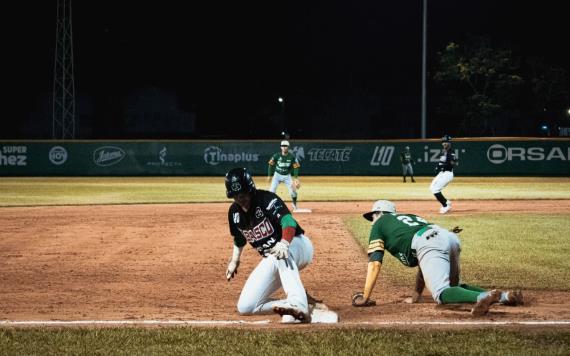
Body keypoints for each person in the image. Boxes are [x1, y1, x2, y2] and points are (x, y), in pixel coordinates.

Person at [351, 200, 524, 316]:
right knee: (454, 287)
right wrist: (416, 295)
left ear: (381, 213)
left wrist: (365, 297)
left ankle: (484, 297)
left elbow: (374, 263)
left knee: (442, 293)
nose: (371, 221)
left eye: (373, 216)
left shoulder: (381, 223)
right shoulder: (409, 219)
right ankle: (505, 296)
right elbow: (423, 263)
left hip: (429, 242)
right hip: (447, 237)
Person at [224, 167, 314, 323]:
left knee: (278, 252)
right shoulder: (234, 213)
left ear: (250, 189)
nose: (241, 198)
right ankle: (294, 304)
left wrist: (284, 243)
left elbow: (288, 222)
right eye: (237, 196)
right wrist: (234, 261)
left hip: (297, 245)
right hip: (274, 258)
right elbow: (239, 239)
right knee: (246, 306)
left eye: (244, 194)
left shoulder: (266, 199)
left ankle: (299, 307)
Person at [267, 140, 301, 211]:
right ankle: (270, 207)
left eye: (285, 146)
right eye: (282, 146)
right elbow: (270, 164)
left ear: (288, 147)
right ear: (280, 147)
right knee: (271, 192)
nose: (284, 147)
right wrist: (269, 175)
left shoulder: (291, 157)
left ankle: (294, 204)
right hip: (277, 175)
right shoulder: (276, 155)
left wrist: (296, 178)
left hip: (287, 176)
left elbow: (296, 167)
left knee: (293, 192)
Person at [430, 135, 456, 214]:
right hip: (442, 173)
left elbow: (452, 164)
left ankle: (445, 206)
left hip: (447, 174)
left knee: (435, 189)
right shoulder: (444, 152)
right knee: (431, 188)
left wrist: (443, 165)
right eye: (443, 142)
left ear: (449, 143)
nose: (444, 143)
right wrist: (438, 166)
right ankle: (446, 202)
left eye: (446, 142)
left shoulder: (451, 152)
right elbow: (441, 162)